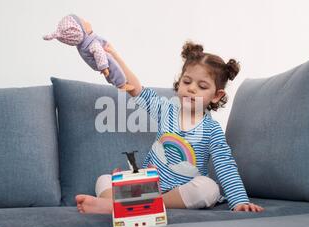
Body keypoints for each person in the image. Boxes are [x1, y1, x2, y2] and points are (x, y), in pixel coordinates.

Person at [76, 41, 264, 213]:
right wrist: (114, 56)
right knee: (104, 179)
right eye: (187, 81)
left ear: (216, 96)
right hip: (146, 187)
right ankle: (128, 205)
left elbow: (225, 166)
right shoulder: (165, 110)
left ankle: (122, 206)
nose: (191, 89)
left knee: (209, 188)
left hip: (179, 195)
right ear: (179, 82)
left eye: (202, 86)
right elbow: (135, 89)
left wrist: (240, 201)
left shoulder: (211, 130)